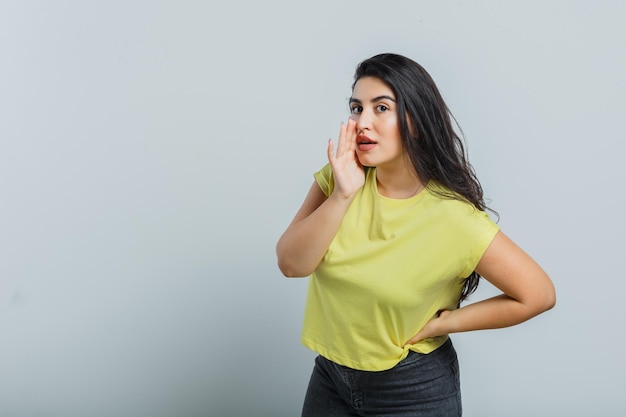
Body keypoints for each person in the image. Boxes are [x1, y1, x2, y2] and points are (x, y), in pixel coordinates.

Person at [275, 53, 556, 417]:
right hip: (331, 375)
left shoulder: (454, 217)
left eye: (381, 108)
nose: (363, 122)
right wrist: (343, 195)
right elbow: (291, 264)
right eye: (357, 108)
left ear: (417, 121)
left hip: (410, 387)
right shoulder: (338, 178)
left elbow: (539, 294)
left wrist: (448, 322)